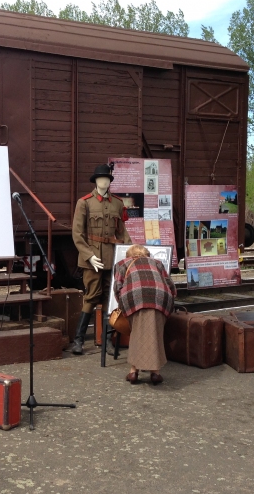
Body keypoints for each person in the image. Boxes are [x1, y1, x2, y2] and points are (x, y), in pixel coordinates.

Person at [71, 164, 132, 354]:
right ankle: (79, 340)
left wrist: (132, 250)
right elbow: (77, 234)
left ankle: (107, 339)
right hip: (93, 259)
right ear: (95, 181)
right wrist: (89, 256)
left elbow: (122, 232)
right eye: (101, 179)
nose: (104, 181)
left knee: (109, 297)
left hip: (112, 257)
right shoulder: (85, 202)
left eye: (107, 178)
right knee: (91, 296)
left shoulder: (117, 203)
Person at [113, 245, 176, 386]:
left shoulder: (122, 264)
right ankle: (155, 373)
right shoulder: (157, 263)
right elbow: (170, 285)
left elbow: (118, 287)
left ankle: (133, 372)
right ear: (147, 254)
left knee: (136, 331)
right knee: (156, 331)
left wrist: (122, 305)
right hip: (160, 297)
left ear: (129, 255)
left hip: (134, 297)